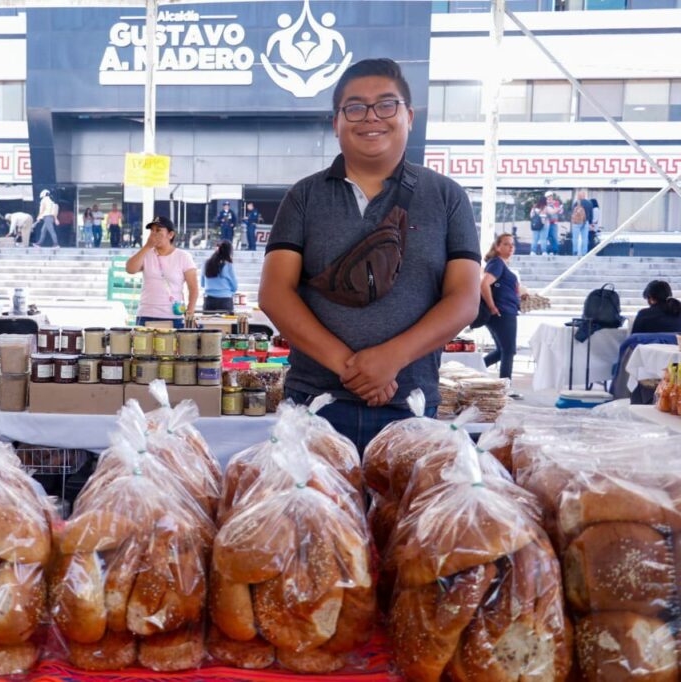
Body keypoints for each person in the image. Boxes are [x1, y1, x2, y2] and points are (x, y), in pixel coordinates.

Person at [260, 58, 481, 451]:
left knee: (399, 513)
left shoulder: (447, 197)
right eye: (355, 107)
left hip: (411, 406)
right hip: (314, 405)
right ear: (336, 121)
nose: (370, 118)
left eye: (386, 105)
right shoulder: (304, 197)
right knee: (306, 509)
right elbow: (276, 293)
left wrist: (391, 358)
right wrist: (353, 367)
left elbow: (464, 299)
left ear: (409, 116)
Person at [125, 216, 198, 328]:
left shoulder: (183, 257)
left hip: (173, 316)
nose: (154, 234)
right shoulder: (146, 254)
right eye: (152, 231)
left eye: (158, 230)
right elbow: (130, 269)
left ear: (170, 235)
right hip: (146, 314)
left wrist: (190, 313)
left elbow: (193, 288)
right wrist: (147, 246)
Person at [480, 234, 520, 380]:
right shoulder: (497, 263)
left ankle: (474, 370)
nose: (511, 247)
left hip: (505, 310)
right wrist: (492, 306)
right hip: (503, 312)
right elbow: (484, 284)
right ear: (497, 247)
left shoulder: (500, 264)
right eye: (506, 244)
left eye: (512, 245)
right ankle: (505, 386)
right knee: (508, 351)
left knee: (501, 351)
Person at [201, 241, 238, 313]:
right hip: (225, 300)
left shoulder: (206, 263)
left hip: (209, 300)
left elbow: (202, 284)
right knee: (226, 324)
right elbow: (234, 287)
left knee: (208, 324)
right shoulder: (228, 265)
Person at [568, 189, 593, 256]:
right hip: (586, 222)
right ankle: (584, 252)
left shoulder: (576, 203)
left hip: (577, 222)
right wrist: (590, 223)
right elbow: (591, 214)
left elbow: (572, 212)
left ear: (579, 196)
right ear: (584, 195)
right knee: (584, 238)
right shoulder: (589, 203)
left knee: (575, 238)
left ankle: (575, 251)